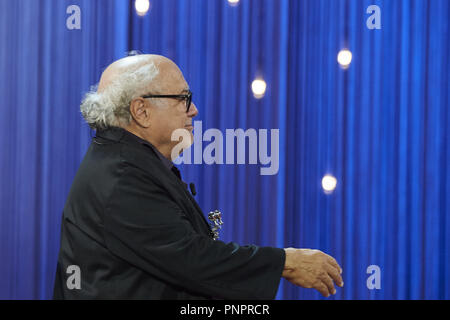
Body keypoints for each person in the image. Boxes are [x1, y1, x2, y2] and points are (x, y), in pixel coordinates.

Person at [53, 54, 343, 299]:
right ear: (141, 110)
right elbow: (191, 259)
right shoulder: (121, 176)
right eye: (183, 98)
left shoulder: (125, 160)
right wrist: (286, 263)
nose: (193, 110)